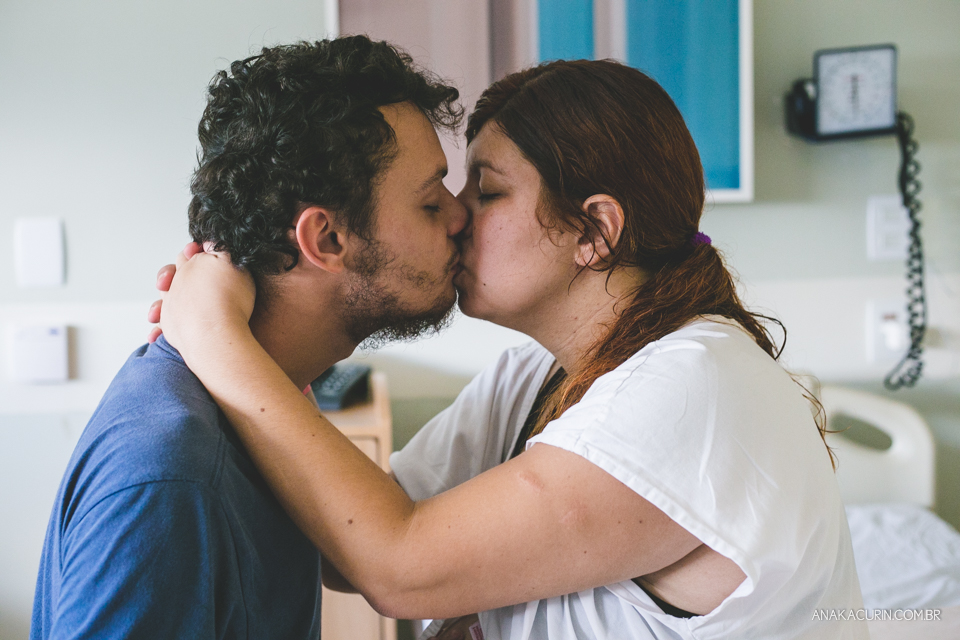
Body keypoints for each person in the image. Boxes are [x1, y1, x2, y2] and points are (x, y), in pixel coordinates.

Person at [157, 59, 869, 639]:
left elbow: (400, 568)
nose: (459, 214)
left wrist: (215, 338)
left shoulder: (697, 386)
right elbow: (360, 538)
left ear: (595, 231)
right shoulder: (538, 372)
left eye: (489, 191)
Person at [31, 37, 467, 639]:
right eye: (428, 201)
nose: (459, 214)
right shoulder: (169, 480)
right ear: (327, 240)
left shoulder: (264, 411)